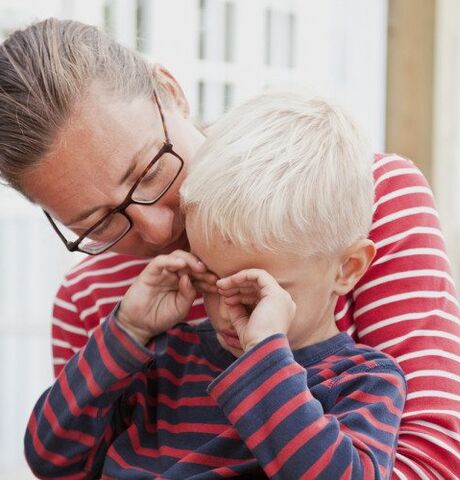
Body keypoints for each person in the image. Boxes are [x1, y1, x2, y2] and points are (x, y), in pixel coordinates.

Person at [0, 18, 460, 479]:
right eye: (99, 222)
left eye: (149, 171)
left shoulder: (362, 203)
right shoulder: (96, 304)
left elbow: (433, 466)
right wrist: (125, 333)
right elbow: (59, 462)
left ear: (172, 91)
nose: (159, 229)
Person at [25, 90, 407, 479]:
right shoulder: (166, 360)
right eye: (209, 279)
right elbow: (51, 459)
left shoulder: (362, 382)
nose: (227, 313)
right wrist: (128, 330)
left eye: (254, 293)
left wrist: (264, 359)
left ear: (348, 268)